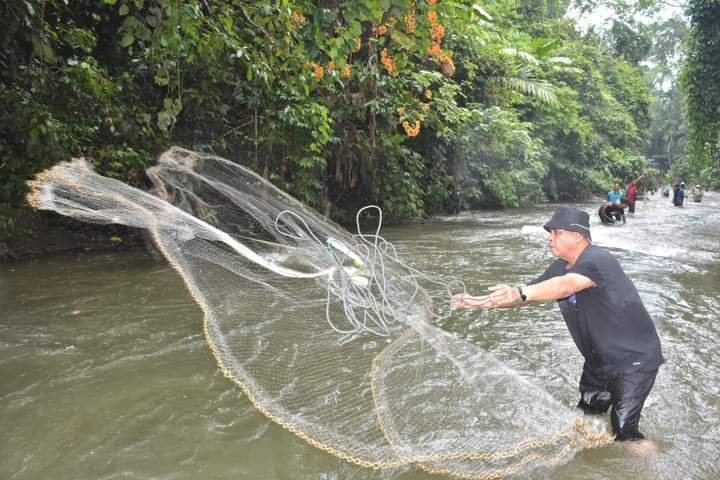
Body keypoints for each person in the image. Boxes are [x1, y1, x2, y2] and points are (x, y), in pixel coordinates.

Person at [453, 206, 663, 455]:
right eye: (549, 233)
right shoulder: (560, 266)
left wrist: (520, 292)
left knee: (625, 434)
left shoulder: (597, 259)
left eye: (556, 232)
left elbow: (565, 286)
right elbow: (526, 296)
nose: (550, 238)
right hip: (598, 360)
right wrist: (476, 302)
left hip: (633, 361)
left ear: (577, 235)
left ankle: (656, 467)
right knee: (586, 415)